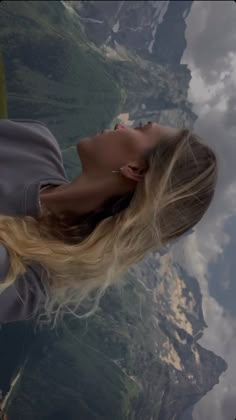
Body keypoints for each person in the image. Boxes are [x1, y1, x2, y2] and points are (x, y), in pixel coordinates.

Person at [0, 119, 218, 326]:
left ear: (136, 170)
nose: (120, 125)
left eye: (141, 128)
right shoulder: (33, 141)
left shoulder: (25, 281)